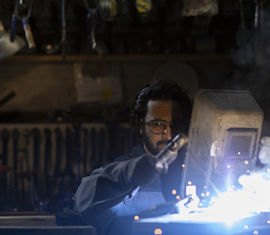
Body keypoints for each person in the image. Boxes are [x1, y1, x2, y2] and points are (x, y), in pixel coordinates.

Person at [74, 80, 193, 235]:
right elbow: (83, 199)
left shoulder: (195, 171)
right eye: (157, 124)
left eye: (175, 124)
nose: (168, 134)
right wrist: (130, 174)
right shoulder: (123, 172)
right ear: (140, 125)